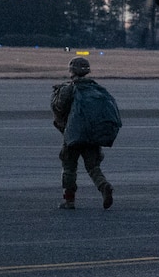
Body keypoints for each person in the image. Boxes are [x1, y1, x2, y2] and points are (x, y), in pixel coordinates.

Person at [50, 56, 118, 209]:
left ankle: (69, 200)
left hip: (73, 134)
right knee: (93, 167)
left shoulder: (69, 88)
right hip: (92, 134)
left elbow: (59, 107)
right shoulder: (96, 89)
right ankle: (104, 186)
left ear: (72, 70)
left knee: (69, 166)